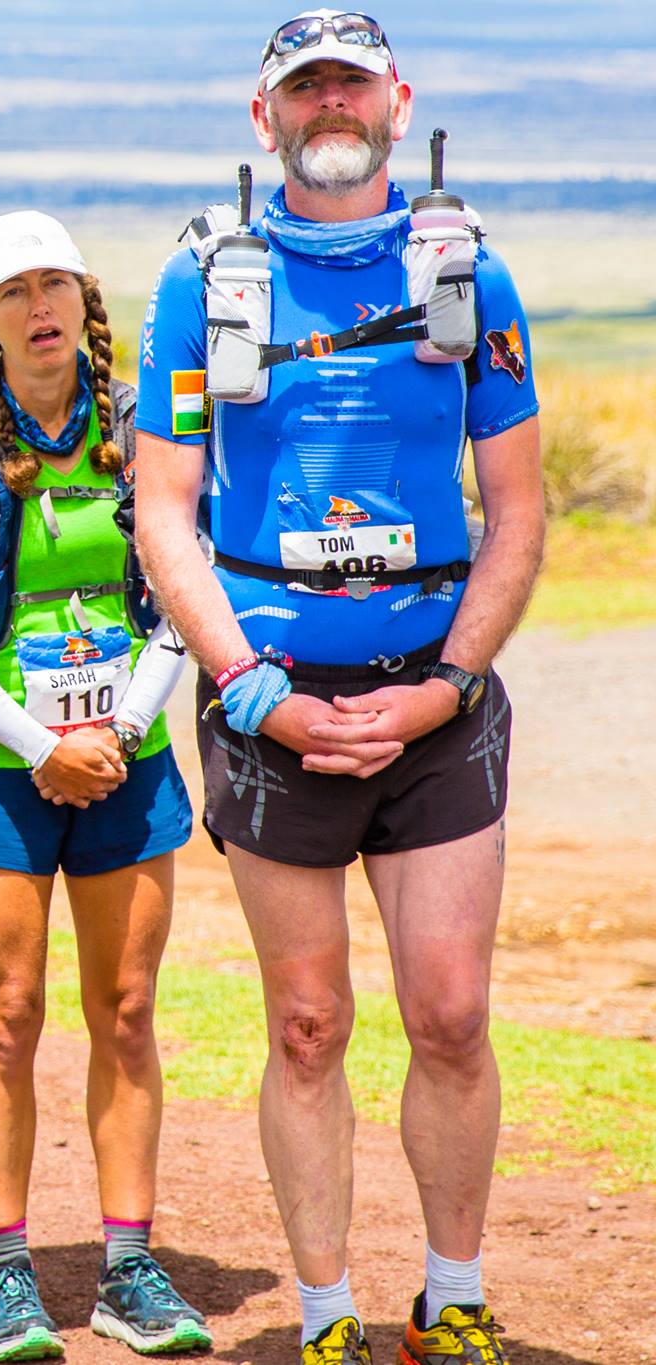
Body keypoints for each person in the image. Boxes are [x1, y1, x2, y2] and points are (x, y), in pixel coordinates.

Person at [133, 13, 542, 1365]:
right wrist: (249, 690)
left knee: (452, 1016)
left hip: (436, 701)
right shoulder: (203, 282)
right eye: (301, 88)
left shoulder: (468, 275)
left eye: (349, 86)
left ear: (396, 104)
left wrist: (449, 684)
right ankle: (324, 1318)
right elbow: (164, 511)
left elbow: (518, 509)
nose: (328, 107)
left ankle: (452, 1297)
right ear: (263, 118)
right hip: (270, 708)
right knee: (307, 1027)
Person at [0, 211, 210, 1361]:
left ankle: (127, 1267)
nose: (38, 307)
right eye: (13, 291)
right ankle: (6, 1274)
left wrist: (115, 731)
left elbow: (185, 593)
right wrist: (40, 744)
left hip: (125, 758)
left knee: (124, 1010)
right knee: (9, 1011)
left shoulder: (146, 427)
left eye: (55, 285)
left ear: (85, 300)